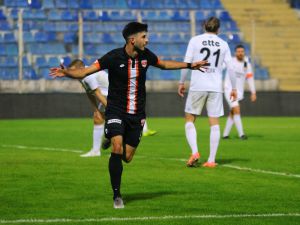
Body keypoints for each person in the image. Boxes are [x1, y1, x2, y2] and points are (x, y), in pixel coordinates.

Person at [50, 22, 207, 209]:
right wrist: (66, 72)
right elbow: (85, 71)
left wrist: (190, 65)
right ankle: (117, 195)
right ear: (132, 40)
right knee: (117, 147)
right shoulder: (113, 57)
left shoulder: (146, 56)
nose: (147, 40)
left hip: (137, 114)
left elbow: (164, 64)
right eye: (144, 37)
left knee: (128, 157)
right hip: (116, 110)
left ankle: (111, 141)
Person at [178, 17, 237, 168]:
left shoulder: (195, 40)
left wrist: (181, 82)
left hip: (198, 85)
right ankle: (211, 160)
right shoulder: (223, 44)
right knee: (214, 123)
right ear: (219, 29)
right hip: (215, 87)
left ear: (204, 26)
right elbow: (230, 67)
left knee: (190, 119)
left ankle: (195, 151)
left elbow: (187, 61)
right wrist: (234, 88)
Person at [67, 59, 111, 157]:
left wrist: (111, 111)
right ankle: (96, 150)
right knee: (98, 118)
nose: (72, 73)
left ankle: (113, 141)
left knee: (115, 120)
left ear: (81, 68)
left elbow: (97, 93)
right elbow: (89, 91)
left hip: (115, 94)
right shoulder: (80, 75)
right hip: (107, 95)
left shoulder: (88, 75)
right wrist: (95, 109)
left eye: (73, 71)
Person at [222, 44, 257, 140]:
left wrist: (253, 92)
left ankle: (225, 134)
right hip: (229, 90)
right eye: (238, 51)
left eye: (242, 51)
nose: (240, 53)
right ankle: (241, 134)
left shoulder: (247, 64)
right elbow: (220, 67)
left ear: (244, 52)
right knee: (236, 109)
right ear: (235, 53)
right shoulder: (230, 62)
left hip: (239, 92)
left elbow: (250, 78)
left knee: (233, 112)